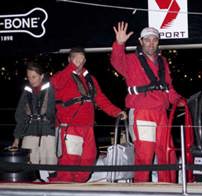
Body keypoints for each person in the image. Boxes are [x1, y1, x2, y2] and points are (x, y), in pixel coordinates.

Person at [111, 21, 184, 183]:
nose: (151, 43)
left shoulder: (163, 62)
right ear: (141, 41)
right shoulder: (130, 60)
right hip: (142, 112)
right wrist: (119, 44)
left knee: (167, 152)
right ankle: (142, 188)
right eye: (147, 39)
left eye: (154, 40)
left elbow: (168, 88)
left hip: (161, 113)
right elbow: (116, 61)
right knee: (145, 154)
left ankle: (168, 186)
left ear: (158, 42)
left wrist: (179, 100)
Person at [50, 47, 126, 183]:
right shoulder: (62, 76)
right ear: (69, 60)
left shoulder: (90, 78)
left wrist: (116, 111)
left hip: (88, 127)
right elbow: (55, 83)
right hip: (70, 126)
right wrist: (71, 67)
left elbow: (101, 99)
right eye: (75, 58)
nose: (79, 61)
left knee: (89, 159)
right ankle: (64, 190)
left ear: (85, 60)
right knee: (70, 162)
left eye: (81, 58)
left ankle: (78, 186)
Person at [12, 61, 57, 181]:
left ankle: (53, 185)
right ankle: (34, 184)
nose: (31, 80)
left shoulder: (52, 88)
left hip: (49, 130)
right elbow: (20, 115)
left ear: (41, 76)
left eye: (34, 77)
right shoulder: (27, 91)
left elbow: (59, 110)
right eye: (29, 77)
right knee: (29, 162)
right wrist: (17, 138)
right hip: (30, 130)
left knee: (51, 162)